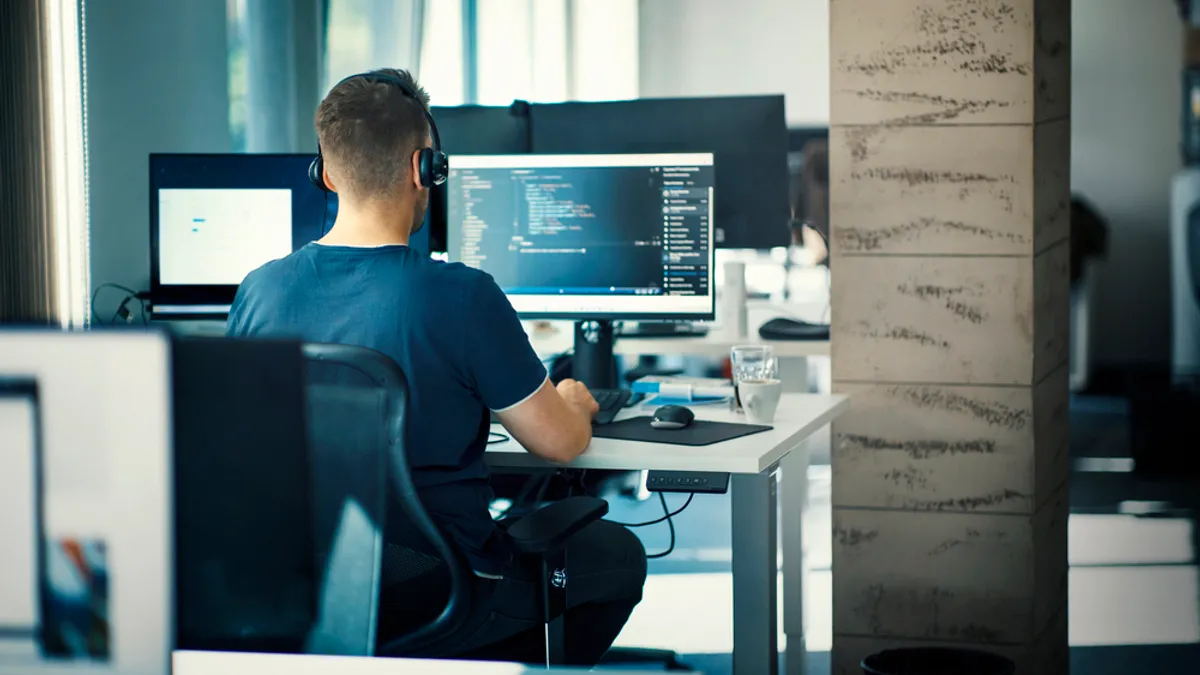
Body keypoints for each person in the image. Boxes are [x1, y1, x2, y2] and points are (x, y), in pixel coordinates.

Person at [225, 68, 646, 666]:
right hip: (441, 592)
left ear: (323, 171)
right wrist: (575, 403)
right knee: (616, 553)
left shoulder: (259, 291)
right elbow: (558, 444)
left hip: (304, 586)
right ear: (425, 169)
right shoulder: (462, 295)